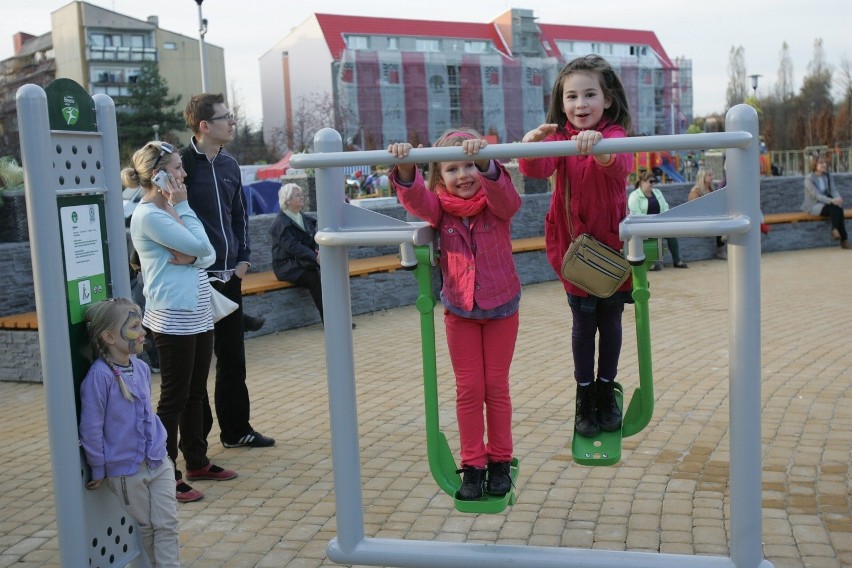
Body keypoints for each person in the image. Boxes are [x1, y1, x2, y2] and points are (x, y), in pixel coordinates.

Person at [387, 128, 521, 501]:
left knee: (495, 387)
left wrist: (485, 163)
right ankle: (473, 465)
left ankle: (500, 461)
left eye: (469, 166)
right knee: (468, 389)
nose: (462, 175)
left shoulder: (497, 203)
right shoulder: (440, 210)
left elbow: (509, 200)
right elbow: (417, 202)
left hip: (500, 309)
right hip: (460, 311)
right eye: (451, 169)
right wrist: (405, 166)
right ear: (439, 177)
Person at [518, 54, 633, 438]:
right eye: (571, 97)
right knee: (583, 325)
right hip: (574, 251)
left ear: (607, 100)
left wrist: (598, 148)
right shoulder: (559, 138)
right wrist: (529, 146)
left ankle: (605, 388)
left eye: (589, 95)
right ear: (561, 101)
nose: (580, 104)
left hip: (611, 250)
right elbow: (538, 169)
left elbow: (619, 163)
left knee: (611, 322)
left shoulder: (614, 135)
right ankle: (584, 395)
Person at [125, 140, 238, 503]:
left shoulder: (168, 209)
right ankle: (165, 473)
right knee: (173, 397)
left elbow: (204, 254)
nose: (183, 174)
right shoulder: (151, 215)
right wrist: (185, 209)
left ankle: (197, 460)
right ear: (157, 175)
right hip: (173, 315)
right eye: (176, 168)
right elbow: (206, 249)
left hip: (198, 309)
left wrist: (190, 257)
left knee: (195, 392)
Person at [180, 93, 275, 449]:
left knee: (233, 358)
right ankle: (196, 442)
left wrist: (243, 260)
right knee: (197, 364)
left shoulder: (231, 164)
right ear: (205, 126)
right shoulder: (180, 165)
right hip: (196, 280)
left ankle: (237, 430)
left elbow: (240, 216)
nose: (232, 121)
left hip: (229, 277)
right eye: (226, 116)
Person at [79, 298, 180, 567]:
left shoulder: (142, 367)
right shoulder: (98, 378)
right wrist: (98, 469)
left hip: (158, 461)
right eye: (135, 326)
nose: (143, 332)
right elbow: (91, 428)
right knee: (148, 527)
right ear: (109, 336)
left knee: (167, 524)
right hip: (126, 472)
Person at [269, 183, 323, 320]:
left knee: (330, 274)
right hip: (286, 266)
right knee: (314, 277)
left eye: (301, 194)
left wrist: (319, 252)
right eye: (298, 195)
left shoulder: (303, 218)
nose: (302, 197)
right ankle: (330, 322)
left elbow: (313, 239)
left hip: (303, 262)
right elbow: (293, 247)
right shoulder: (280, 223)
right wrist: (315, 257)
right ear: (287, 200)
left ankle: (339, 318)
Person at [628, 171, 688, 270]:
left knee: (672, 235)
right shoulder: (634, 196)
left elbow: (665, 207)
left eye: (654, 181)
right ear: (642, 182)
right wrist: (651, 220)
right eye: (650, 181)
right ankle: (651, 263)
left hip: (659, 224)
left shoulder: (657, 192)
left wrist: (662, 220)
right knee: (652, 236)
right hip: (643, 226)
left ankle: (677, 261)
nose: (653, 184)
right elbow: (636, 214)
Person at [801, 154, 851, 250]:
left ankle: (835, 230)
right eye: (820, 163)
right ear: (815, 165)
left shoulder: (828, 175)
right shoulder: (809, 178)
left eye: (825, 163)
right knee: (836, 208)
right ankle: (844, 241)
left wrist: (838, 198)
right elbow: (817, 196)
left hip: (826, 202)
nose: (824, 165)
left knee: (838, 208)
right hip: (813, 205)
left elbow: (833, 190)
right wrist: (832, 200)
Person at [688, 166, 727, 259]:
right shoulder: (695, 191)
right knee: (720, 220)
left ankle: (724, 240)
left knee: (725, 217)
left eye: (712, 174)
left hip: (711, 215)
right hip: (699, 217)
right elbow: (694, 209)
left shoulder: (710, 189)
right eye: (709, 175)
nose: (712, 177)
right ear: (702, 177)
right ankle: (721, 249)